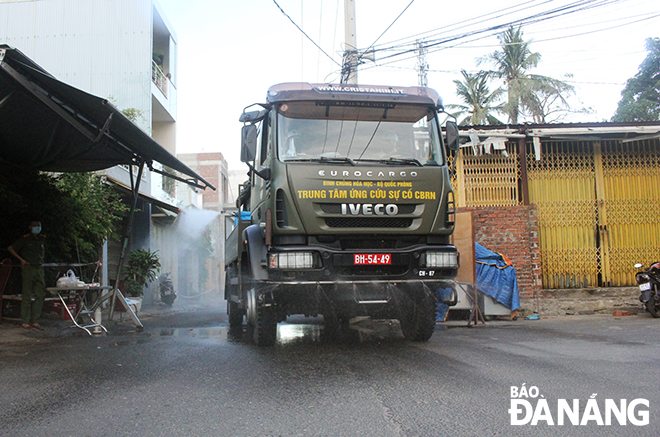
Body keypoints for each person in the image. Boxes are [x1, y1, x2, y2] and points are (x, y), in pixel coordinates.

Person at [8, 220, 47, 330]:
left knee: (40, 295)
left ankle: (35, 321)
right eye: (35, 226)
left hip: (39, 268)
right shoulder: (25, 239)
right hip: (29, 268)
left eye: (39, 225)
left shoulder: (42, 239)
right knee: (27, 295)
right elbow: (11, 248)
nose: (37, 228)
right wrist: (21, 260)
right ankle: (25, 321)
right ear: (30, 227)